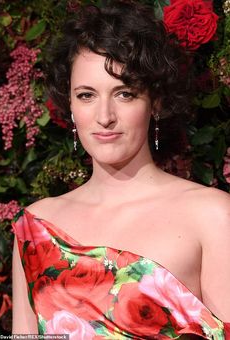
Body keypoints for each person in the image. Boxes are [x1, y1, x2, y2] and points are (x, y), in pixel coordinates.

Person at [12, 1, 230, 338]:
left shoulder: (212, 214)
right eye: (86, 95)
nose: (104, 116)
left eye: (125, 93)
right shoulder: (37, 227)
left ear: (154, 101)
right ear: (69, 105)